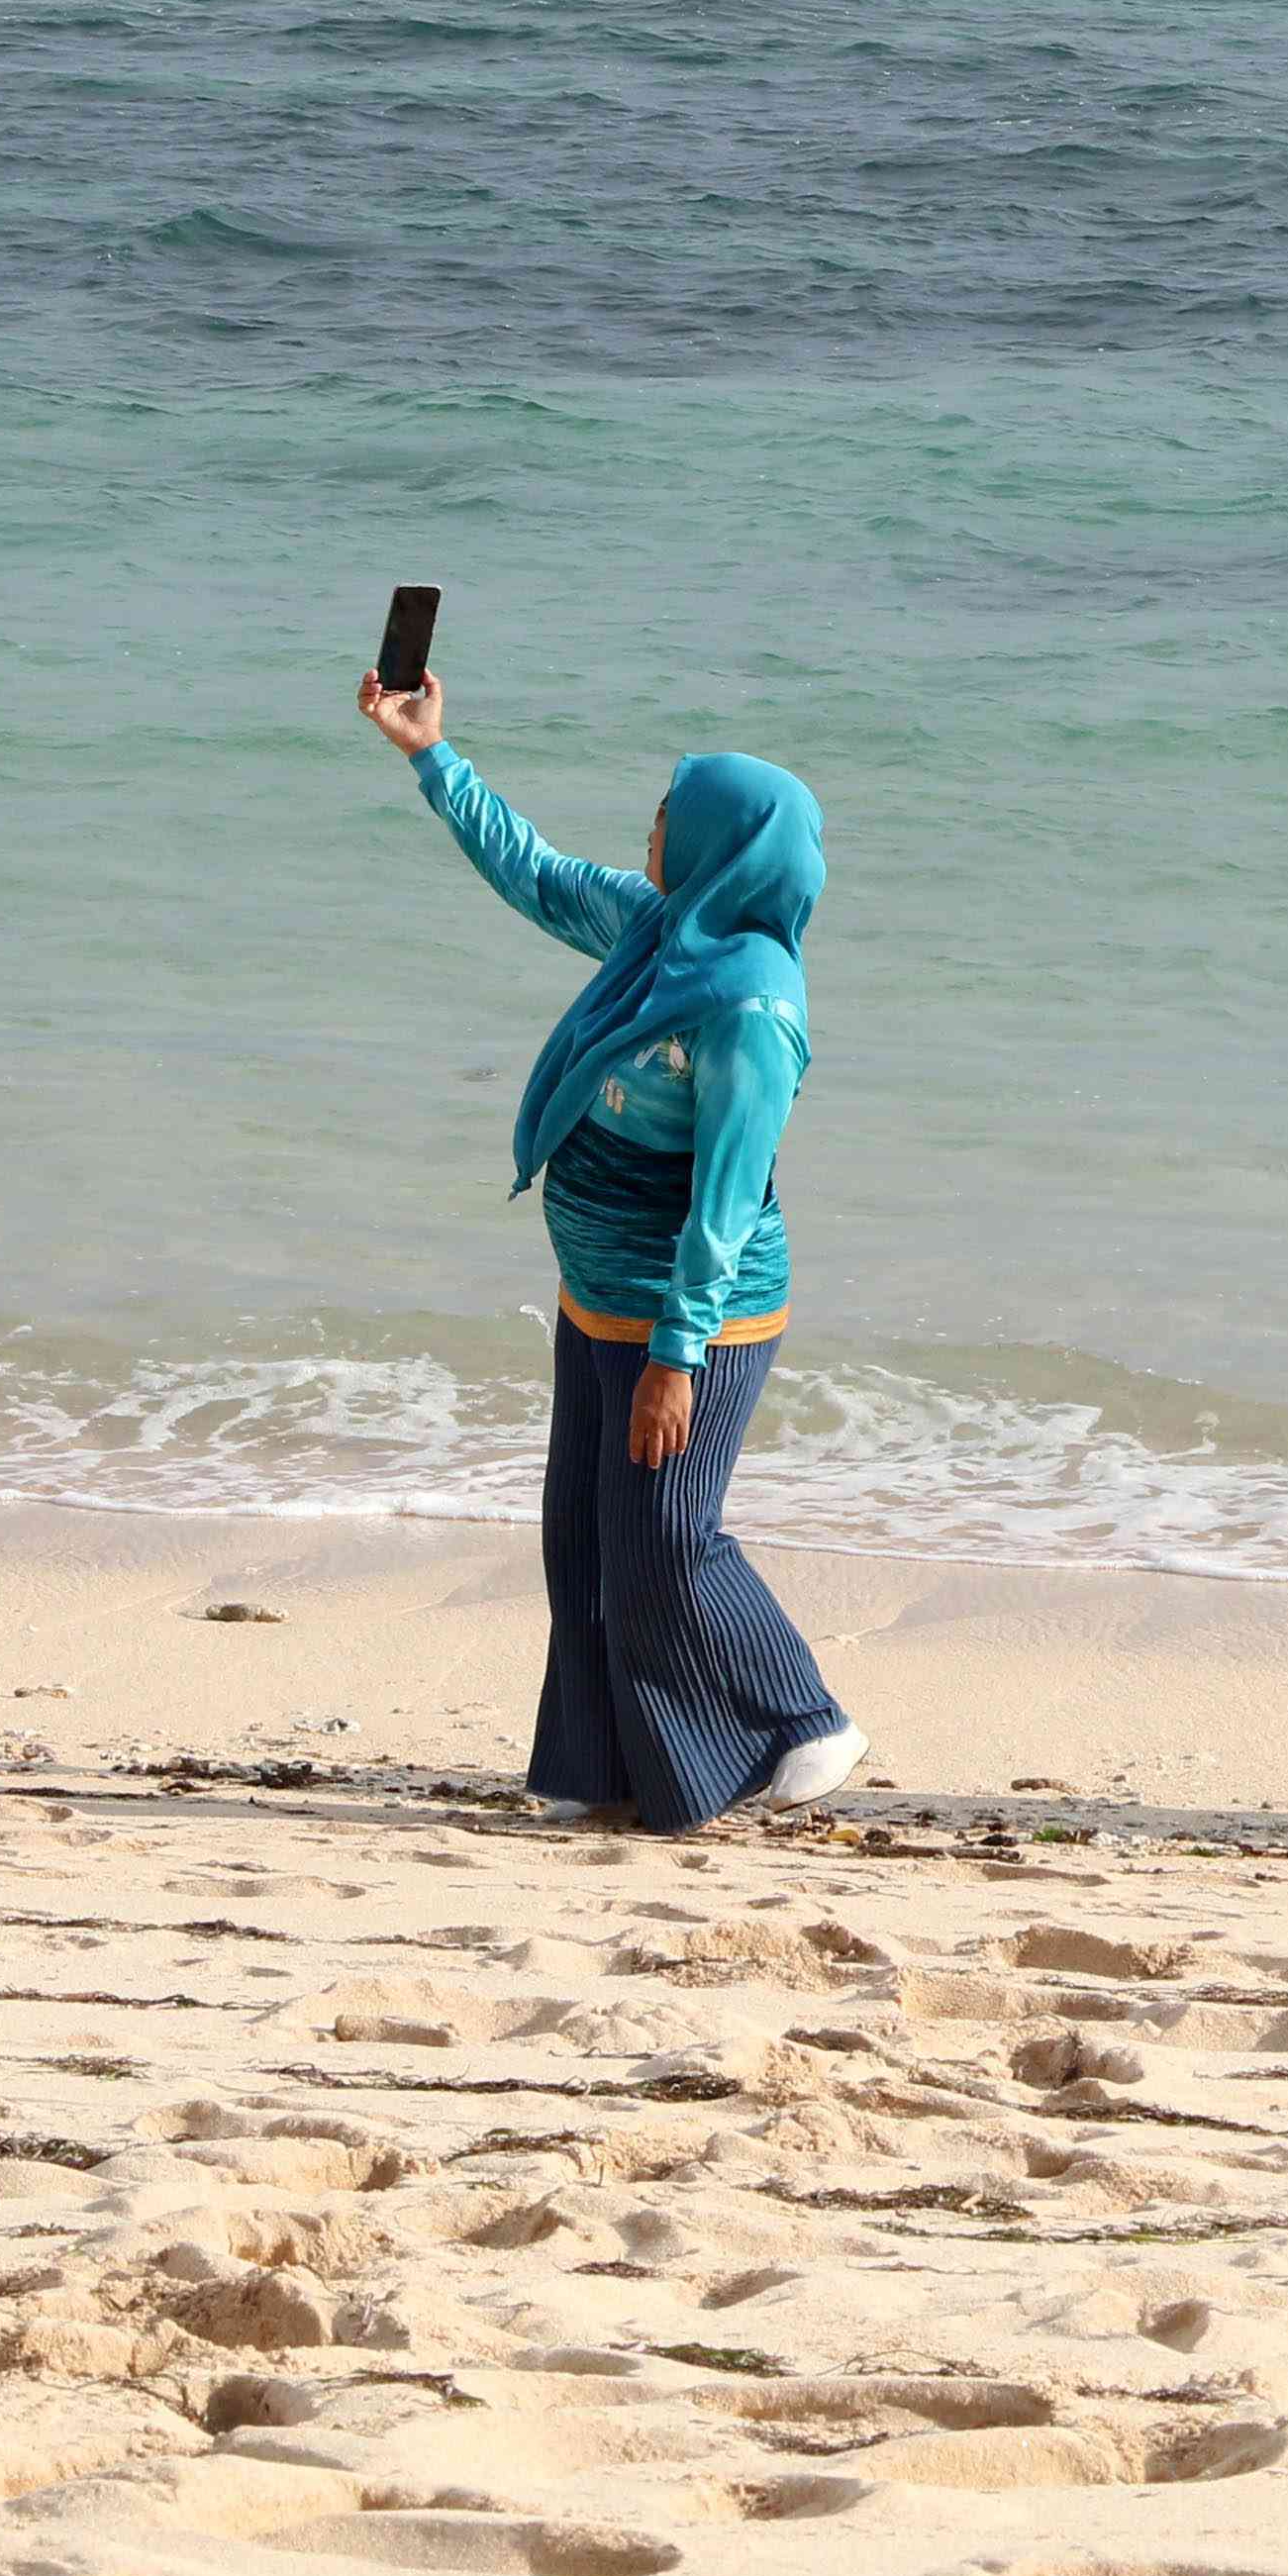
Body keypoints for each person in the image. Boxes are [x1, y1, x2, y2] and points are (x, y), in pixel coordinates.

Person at [355, 661, 863, 1833]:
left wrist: (679, 1354)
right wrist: (428, 753)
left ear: (724, 848)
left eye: (669, 818)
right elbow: (531, 872)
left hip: (699, 1311)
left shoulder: (750, 1007)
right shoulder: (655, 930)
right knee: (584, 1552)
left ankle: (806, 1720)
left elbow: (728, 1201)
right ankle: (604, 1778)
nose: (648, 829)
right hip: (596, 1296)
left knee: (671, 1546)